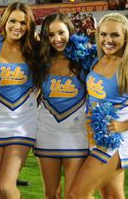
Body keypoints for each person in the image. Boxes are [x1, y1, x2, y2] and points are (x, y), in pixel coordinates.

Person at [69, 13, 128, 199]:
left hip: (116, 140)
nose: (107, 40)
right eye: (103, 35)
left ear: (126, 36)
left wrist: (123, 126)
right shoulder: (98, 59)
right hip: (94, 137)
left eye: (114, 35)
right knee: (113, 196)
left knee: (77, 193)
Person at [0, 1, 39, 198]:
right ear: (4, 21)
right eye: (13, 21)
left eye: (23, 23)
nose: (17, 27)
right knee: (0, 186)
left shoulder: (35, 47)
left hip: (23, 122)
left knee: (7, 185)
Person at [35, 12, 91, 199]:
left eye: (61, 32)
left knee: (73, 194)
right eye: (51, 35)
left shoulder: (85, 58)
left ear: (70, 31)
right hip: (46, 131)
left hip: (76, 134)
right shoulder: (42, 60)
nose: (57, 39)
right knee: (51, 194)